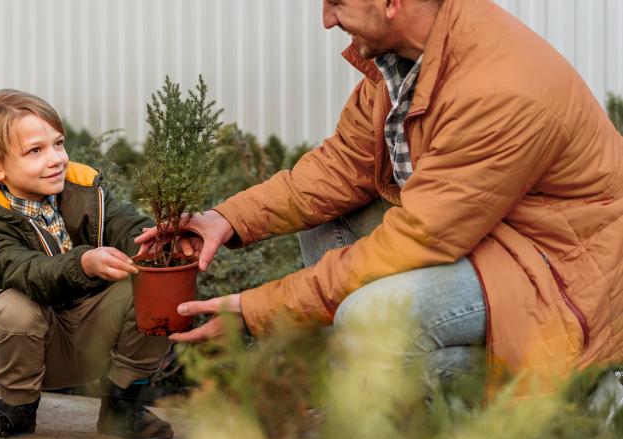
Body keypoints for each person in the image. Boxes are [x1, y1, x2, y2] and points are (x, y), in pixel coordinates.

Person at [136, 0, 623, 396]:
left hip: (554, 270)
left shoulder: (500, 89)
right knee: (331, 227)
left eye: (337, 4)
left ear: (392, 4)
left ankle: (573, 392)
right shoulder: (408, 59)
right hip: (485, 236)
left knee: (368, 319)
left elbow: (415, 239)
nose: (327, 20)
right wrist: (227, 218)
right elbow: (344, 165)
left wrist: (254, 312)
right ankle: (376, 381)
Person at [0, 89, 174, 439]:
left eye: (58, 144)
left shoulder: (83, 186)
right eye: (35, 151)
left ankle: (122, 403)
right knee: (12, 307)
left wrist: (160, 240)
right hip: (40, 345)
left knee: (155, 286)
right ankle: (17, 408)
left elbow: (124, 225)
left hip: (98, 332)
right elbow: (26, 271)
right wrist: (85, 262)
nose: (56, 158)